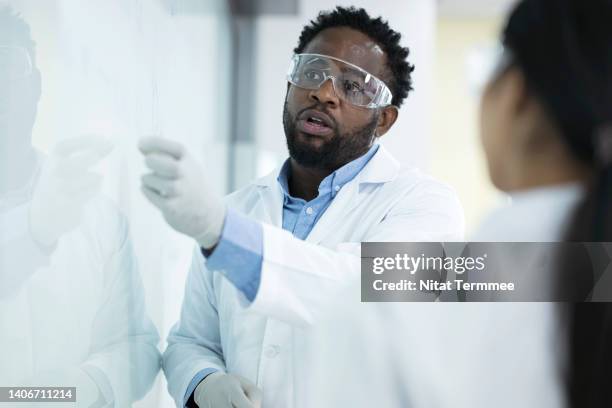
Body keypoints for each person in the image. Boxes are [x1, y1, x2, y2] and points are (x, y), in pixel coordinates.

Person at [138, 6, 464, 408]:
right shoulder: (237, 207)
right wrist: (204, 381)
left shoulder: (426, 206)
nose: (324, 93)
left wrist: (223, 233)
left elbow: (356, 290)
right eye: (312, 72)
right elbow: (191, 340)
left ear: (384, 121)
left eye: (354, 86)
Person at [300, 0, 612, 407]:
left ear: (514, 95)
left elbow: (353, 286)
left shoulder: (404, 293)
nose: (326, 94)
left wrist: (231, 238)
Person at [0, 7, 161, 406]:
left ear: (36, 86)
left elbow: (136, 345)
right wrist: (34, 231)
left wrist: (87, 385)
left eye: (9, 65)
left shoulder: (98, 217)